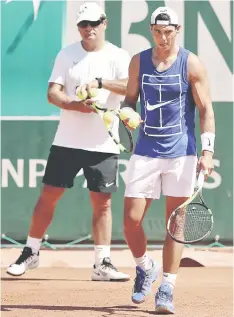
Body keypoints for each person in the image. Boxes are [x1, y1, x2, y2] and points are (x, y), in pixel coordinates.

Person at [7, 2, 131, 282]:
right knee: (49, 196)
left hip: (103, 144)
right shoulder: (67, 54)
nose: (88, 29)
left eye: (93, 24)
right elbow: (53, 93)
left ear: (104, 23)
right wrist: (77, 105)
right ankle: (31, 252)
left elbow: (128, 86)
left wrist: (101, 83)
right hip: (67, 141)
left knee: (102, 204)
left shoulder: (118, 55)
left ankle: (102, 263)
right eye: (83, 25)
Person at [122, 6, 215, 313]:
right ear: (152, 30)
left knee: (175, 225)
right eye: (158, 32)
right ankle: (145, 267)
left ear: (177, 30)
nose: (163, 38)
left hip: (181, 154)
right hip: (146, 152)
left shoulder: (192, 64)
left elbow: (205, 110)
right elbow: (129, 99)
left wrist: (208, 151)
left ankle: (167, 287)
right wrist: (128, 113)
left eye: (168, 32)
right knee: (131, 220)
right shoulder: (138, 61)